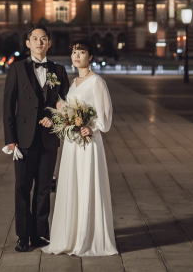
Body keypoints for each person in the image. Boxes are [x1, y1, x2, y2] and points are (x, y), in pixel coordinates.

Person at [44, 38, 117, 257]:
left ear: (91, 56)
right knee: (72, 184)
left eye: (82, 52)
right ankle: (71, 235)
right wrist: (61, 110)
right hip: (71, 144)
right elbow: (71, 111)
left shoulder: (97, 82)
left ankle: (89, 236)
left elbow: (104, 116)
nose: (77, 56)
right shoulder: (73, 83)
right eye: (74, 52)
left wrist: (92, 128)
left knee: (86, 184)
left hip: (88, 143)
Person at [3, 25, 70, 252]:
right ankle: (23, 236)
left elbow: (66, 106)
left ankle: (41, 234)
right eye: (35, 38)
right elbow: (8, 107)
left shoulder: (59, 71)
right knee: (22, 188)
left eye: (43, 39)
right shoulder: (16, 69)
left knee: (43, 189)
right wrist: (10, 138)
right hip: (23, 140)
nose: (39, 42)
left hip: (49, 139)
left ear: (49, 43)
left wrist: (56, 118)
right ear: (28, 43)